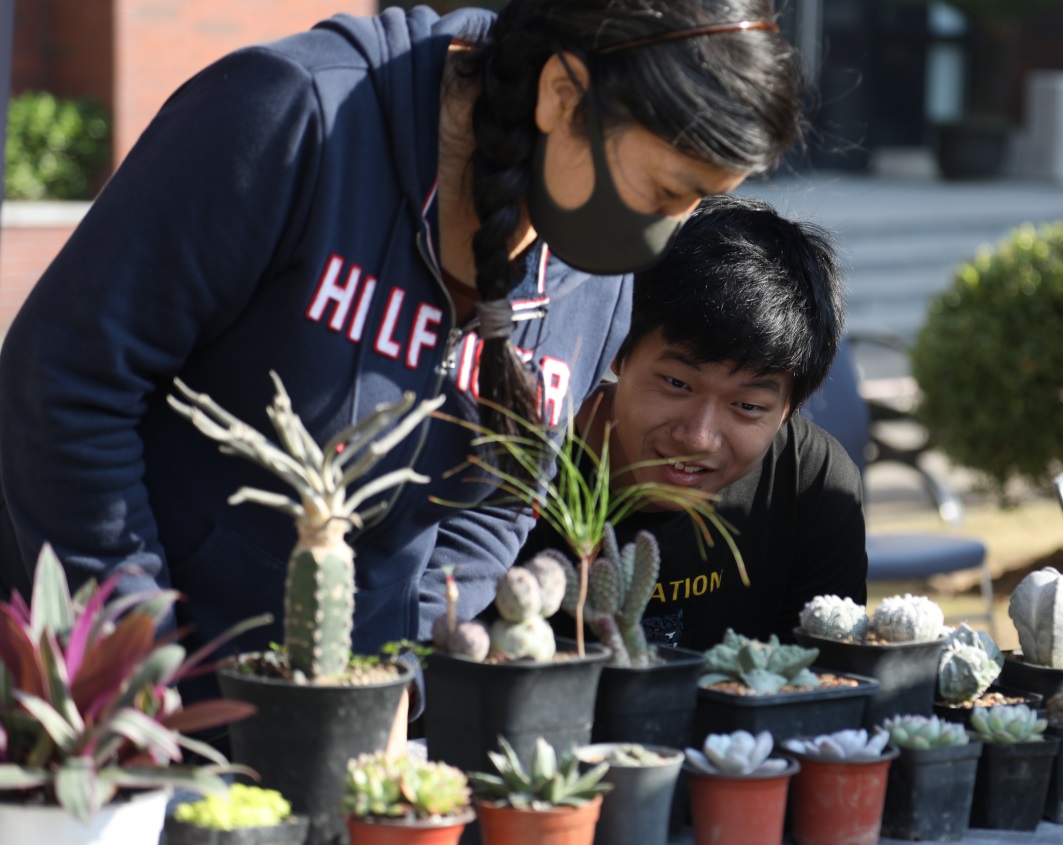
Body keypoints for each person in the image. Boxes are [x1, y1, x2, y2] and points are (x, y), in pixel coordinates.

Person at [0, 2, 803, 672]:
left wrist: (395, 673)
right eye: (663, 189)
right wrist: (135, 655)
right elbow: (65, 383)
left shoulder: (596, 262)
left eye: (695, 204)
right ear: (564, 95)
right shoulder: (293, 116)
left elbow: (501, 500)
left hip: (345, 721)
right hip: (115, 692)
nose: (666, 233)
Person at [527, 194, 867, 652]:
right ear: (618, 351)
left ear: (789, 407)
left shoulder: (812, 483)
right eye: (676, 383)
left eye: (747, 406)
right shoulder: (525, 460)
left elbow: (826, 677)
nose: (698, 437)